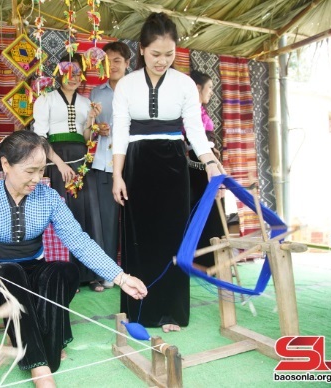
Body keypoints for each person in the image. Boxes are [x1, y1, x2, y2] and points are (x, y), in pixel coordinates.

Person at [0, 130, 148, 388]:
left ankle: (50, 344)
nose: (38, 178)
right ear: (6, 165)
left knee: (65, 271)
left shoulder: (48, 198)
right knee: (11, 274)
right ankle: (39, 368)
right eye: (30, 171)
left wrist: (121, 277)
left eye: (42, 170)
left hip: (32, 268)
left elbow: (79, 241)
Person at [111, 13, 224, 333]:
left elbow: (195, 131)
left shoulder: (185, 84)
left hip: (174, 165)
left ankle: (171, 312)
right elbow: (120, 132)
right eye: (156, 54)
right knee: (139, 239)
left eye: (170, 54)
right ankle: (140, 310)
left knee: (174, 237)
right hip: (137, 163)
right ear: (143, 49)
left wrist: (211, 161)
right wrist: (118, 175)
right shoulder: (127, 85)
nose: (162, 61)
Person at [33, 53, 106, 292]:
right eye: (70, 72)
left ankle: (90, 274)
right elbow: (41, 137)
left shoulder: (86, 103)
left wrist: (91, 121)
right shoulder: (46, 99)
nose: (74, 78)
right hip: (57, 162)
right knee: (65, 216)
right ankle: (67, 276)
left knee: (88, 214)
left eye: (78, 73)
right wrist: (60, 163)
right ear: (60, 72)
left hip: (82, 163)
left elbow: (87, 139)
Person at [88, 42, 132, 288]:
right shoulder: (96, 93)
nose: (113, 65)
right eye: (108, 60)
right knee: (105, 222)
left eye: (117, 60)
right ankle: (108, 273)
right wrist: (98, 129)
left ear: (127, 63)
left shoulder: (136, 91)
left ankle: (134, 268)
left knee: (133, 221)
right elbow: (90, 130)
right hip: (104, 163)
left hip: (131, 163)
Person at [188, 70, 226, 268]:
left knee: (214, 210)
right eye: (209, 88)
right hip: (196, 172)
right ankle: (201, 259)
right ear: (197, 88)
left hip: (207, 169)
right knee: (201, 210)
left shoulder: (202, 113)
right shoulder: (188, 113)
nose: (211, 92)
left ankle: (214, 259)